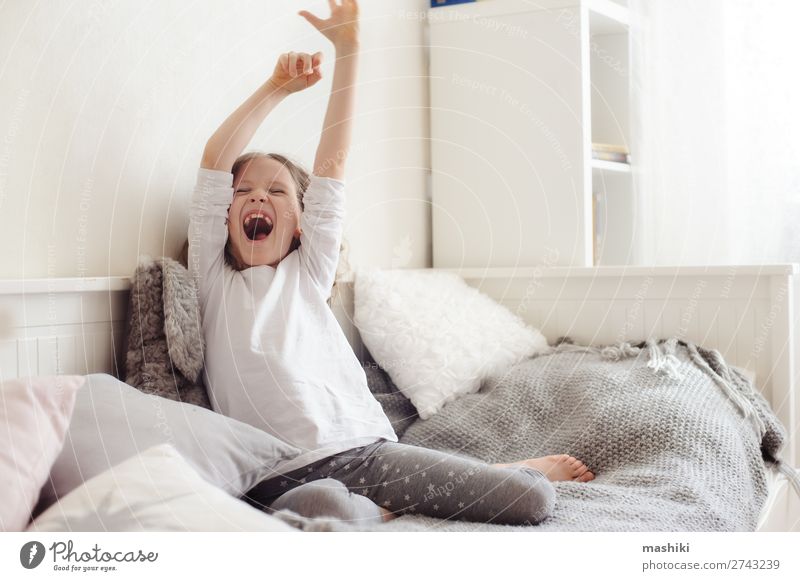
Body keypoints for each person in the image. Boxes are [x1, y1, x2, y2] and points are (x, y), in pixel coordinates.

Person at [188, 0, 593, 527]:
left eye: (277, 191)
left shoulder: (307, 274)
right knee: (323, 511)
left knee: (531, 500)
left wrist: (349, 50)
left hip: (365, 452)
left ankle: (487, 476)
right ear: (224, 216)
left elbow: (333, 164)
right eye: (243, 191)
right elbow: (214, 163)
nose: (257, 198)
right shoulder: (213, 281)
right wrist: (275, 88)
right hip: (275, 475)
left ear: (302, 222)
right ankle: (384, 509)